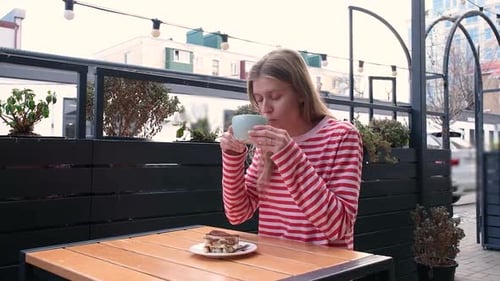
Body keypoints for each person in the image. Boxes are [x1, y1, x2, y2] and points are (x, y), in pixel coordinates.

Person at [219, 48, 363, 250]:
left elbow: (339, 227)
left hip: (324, 271)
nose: (265, 109)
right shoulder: (268, 144)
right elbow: (237, 214)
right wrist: (233, 158)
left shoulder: (341, 136)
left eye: (275, 96)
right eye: (259, 99)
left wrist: (289, 155)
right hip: (274, 268)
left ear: (301, 94)